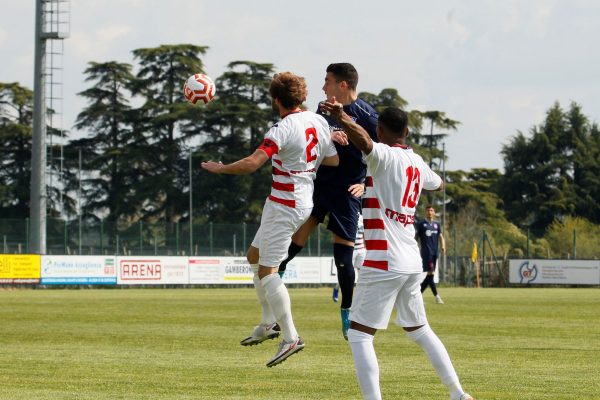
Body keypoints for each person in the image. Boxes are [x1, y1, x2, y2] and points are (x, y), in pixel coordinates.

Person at [320, 99, 474, 400]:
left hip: (383, 259)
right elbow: (438, 184)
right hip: (411, 260)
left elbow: (364, 142)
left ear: (380, 130)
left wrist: (342, 117)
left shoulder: (384, 156)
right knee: (419, 330)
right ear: (406, 131)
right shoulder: (415, 161)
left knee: (360, 335)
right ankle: (458, 393)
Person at [201, 72, 339, 367]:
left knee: (268, 272)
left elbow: (253, 163)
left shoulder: (283, 127)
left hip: (286, 203)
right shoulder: (319, 122)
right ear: (300, 97)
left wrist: (221, 168)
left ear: (276, 100)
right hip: (294, 199)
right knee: (253, 256)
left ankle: (291, 337)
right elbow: (333, 159)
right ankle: (267, 324)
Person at [278, 63, 378, 340]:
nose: (323, 87)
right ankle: (274, 282)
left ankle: (347, 311)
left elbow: (386, 156)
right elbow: (317, 140)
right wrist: (328, 136)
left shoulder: (368, 116)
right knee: (296, 239)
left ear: (343, 85)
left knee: (343, 259)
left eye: (328, 81)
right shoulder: (322, 110)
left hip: (347, 192)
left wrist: (366, 184)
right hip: (320, 184)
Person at [333, 211, 366, 302]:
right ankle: (336, 288)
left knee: (363, 275)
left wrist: (365, 248)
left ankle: (360, 297)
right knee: (346, 275)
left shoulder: (363, 218)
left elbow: (363, 235)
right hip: (350, 250)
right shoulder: (347, 215)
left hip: (361, 250)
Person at [416, 205, 446, 304]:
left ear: (434, 212)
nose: (429, 212)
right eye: (428, 210)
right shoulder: (421, 224)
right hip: (426, 253)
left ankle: (417, 295)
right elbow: (416, 238)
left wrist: (443, 246)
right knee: (431, 274)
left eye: (431, 210)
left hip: (434, 253)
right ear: (425, 212)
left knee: (430, 277)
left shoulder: (437, 224)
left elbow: (441, 236)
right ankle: (437, 296)